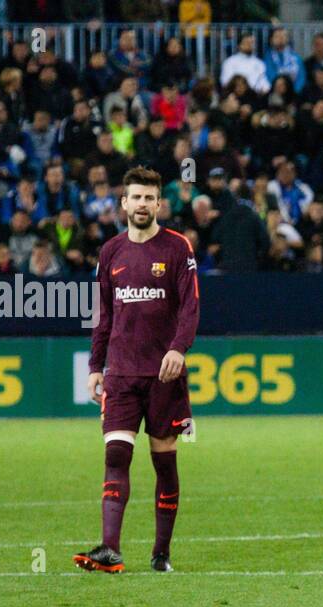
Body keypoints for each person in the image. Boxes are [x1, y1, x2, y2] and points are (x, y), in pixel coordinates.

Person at [75, 167, 200, 576]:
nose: (143, 204)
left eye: (150, 198)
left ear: (159, 204)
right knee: (115, 455)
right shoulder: (110, 252)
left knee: (164, 463)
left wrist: (179, 349)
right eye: (136, 198)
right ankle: (109, 549)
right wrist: (96, 366)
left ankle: (161, 553)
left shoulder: (178, 248)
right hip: (122, 375)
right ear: (123, 203)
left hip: (164, 376)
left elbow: (190, 307)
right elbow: (102, 314)